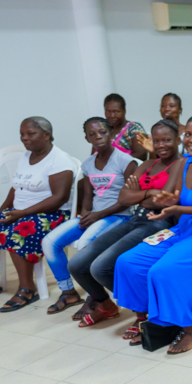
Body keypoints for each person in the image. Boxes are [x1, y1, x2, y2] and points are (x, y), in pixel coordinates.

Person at [113, 114, 192, 354]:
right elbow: (168, 196)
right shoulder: (183, 163)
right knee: (128, 262)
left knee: (166, 270)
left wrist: (178, 207)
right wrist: (163, 201)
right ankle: (150, 320)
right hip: (185, 229)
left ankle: (190, 329)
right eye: (189, 135)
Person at [67, 119, 182, 335]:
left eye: (167, 140)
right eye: (156, 141)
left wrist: (139, 195)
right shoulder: (146, 165)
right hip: (134, 219)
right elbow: (124, 196)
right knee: (77, 264)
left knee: (101, 267)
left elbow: (164, 200)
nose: (161, 145)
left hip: (160, 223)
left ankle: (145, 311)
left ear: (178, 140)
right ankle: (105, 305)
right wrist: (148, 194)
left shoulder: (181, 165)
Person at [0, 118, 73, 311]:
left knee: (17, 232)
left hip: (50, 214)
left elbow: (59, 198)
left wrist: (23, 213)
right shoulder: (26, 156)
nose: (24, 138)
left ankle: (28, 289)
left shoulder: (59, 159)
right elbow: (16, 187)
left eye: (31, 134)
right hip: (21, 212)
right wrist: (2, 210)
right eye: (22, 134)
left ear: (47, 135)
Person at [42, 117, 137, 315]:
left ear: (111, 133)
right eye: (92, 134)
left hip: (120, 216)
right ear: (87, 138)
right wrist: (85, 216)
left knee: (85, 244)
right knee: (50, 242)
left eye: (102, 132)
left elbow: (129, 200)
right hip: (95, 216)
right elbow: (88, 196)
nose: (98, 137)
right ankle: (68, 291)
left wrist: (97, 215)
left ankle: (95, 297)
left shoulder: (126, 162)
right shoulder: (88, 165)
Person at [103, 93, 148, 160]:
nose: (112, 115)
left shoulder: (134, 127)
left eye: (116, 112)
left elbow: (141, 154)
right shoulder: (102, 130)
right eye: (108, 111)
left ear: (124, 111)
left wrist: (116, 163)